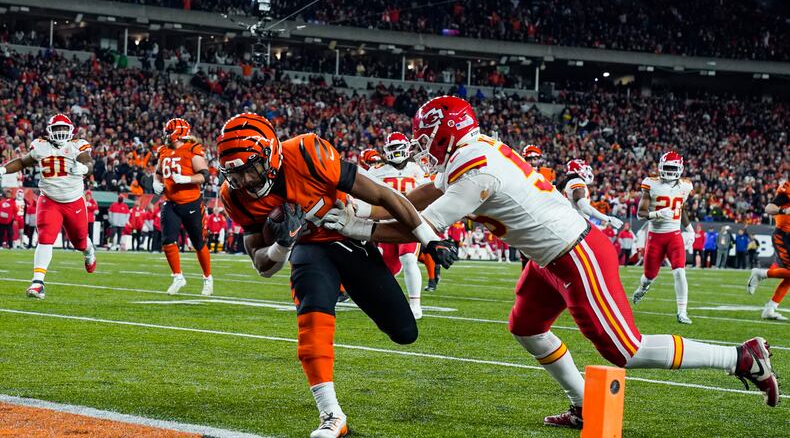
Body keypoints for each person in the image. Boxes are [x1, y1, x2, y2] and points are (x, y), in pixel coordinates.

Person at [323, 95, 780, 428]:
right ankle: (583, 402)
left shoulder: (475, 169)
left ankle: (741, 357)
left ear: (446, 133)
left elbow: (414, 225)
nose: (425, 148)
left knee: (625, 350)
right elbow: (414, 197)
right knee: (526, 326)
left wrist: (353, 227)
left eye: (428, 138)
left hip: (575, 252)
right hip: (547, 255)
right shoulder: (469, 151)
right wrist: (362, 207)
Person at [216, 113, 453, 437]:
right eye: (234, 173)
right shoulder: (234, 196)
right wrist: (284, 244)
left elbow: (385, 196)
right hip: (308, 249)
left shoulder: (308, 153)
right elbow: (262, 265)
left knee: (404, 332)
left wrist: (429, 239)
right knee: (312, 315)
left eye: (250, 168)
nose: (243, 180)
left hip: (349, 239)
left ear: (271, 155)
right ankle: (331, 415)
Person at [0, 114, 97, 299]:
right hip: (49, 199)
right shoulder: (40, 146)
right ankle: (38, 283)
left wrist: (85, 168)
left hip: (73, 200)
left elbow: (88, 161)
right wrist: (3, 169)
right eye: (57, 128)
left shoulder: (77, 145)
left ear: (70, 131)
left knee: (79, 242)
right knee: (45, 237)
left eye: (63, 129)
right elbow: (22, 161)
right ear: (50, 131)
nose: (60, 132)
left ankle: (89, 250)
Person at [365, 132, 430, 318]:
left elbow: (430, 194)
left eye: (397, 147)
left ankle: (415, 303)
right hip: (386, 223)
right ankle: (386, 300)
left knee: (409, 258)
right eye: (391, 148)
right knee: (387, 267)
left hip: (410, 223)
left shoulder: (418, 169)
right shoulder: (377, 170)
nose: (395, 151)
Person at [631, 152, 695, 324]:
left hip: (674, 235)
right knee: (649, 276)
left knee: (680, 272)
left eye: (672, 168)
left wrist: (690, 229)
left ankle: (682, 312)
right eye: (666, 167)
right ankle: (643, 287)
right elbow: (640, 214)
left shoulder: (685, 186)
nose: (668, 171)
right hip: (655, 237)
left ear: (680, 169)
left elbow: (681, 209)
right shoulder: (651, 184)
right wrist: (658, 213)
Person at [153, 118, 213, 296]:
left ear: (178, 132)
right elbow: (157, 173)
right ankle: (178, 276)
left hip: (191, 203)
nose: (166, 135)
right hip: (171, 202)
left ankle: (207, 278)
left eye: (169, 131)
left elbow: (204, 176)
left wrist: (188, 179)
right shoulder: (163, 151)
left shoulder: (192, 149)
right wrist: (156, 183)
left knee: (198, 243)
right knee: (168, 240)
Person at [747, 179, 790, 321]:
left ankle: (770, 309)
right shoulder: (787, 191)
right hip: (783, 235)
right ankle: (760, 274)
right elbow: (769, 208)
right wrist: (784, 210)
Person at [561, 159, 623, 230]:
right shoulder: (577, 184)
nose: (588, 172)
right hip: (576, 227)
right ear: (579, 171)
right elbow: (586, 209)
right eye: (586, 170)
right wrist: (609, 219)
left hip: (573, 224)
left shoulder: (570, 182)